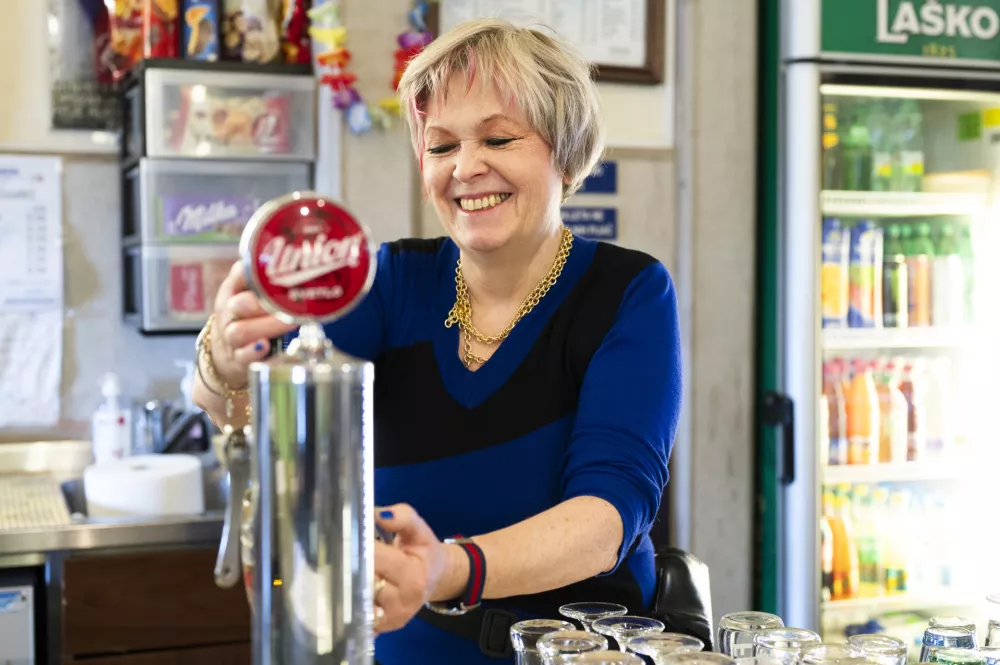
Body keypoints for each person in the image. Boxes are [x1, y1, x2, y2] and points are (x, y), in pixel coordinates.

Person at [192, 17, 682, 665]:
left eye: (499, 137)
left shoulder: (629, 291)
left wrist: (447, 568)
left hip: (575, 651)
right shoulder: (388, 280)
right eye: (442, 146)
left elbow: (605, 519)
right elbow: (253, 416)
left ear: (565, 150)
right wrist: (224, 361)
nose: (467, 167)